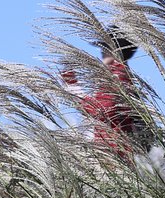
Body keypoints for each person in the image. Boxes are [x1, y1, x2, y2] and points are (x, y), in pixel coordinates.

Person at [61, 25, 154, 156]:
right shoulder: (121, 75)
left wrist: (72, 87)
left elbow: (101, 111)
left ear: (115, 50)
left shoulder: (118, 74)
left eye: (105, 48)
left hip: (115, 152)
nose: (101, 52)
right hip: (116, 150)